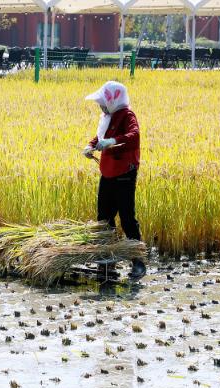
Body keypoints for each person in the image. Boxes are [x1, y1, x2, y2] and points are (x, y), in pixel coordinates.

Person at [82, 81, 146, 279]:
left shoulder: (127, 116)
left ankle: (138, 262)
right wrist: (90, 145)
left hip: (124, 174)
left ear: (113, 100)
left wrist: (112, 141)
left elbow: (133, 136)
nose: (100, 106)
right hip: (108, 173)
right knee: (104, 219)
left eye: (103, 102)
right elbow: (100, 136)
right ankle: (107, 262)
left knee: (127, 218)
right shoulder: (108, 117)